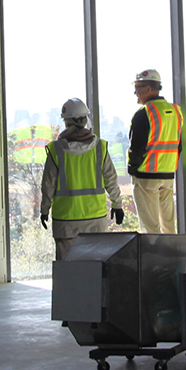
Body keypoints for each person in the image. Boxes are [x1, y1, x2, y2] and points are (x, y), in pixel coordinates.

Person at [39, 98, 125, 258]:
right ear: (86, 120)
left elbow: (48, 185)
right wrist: (117, 205)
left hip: (66, 220)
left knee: (66, 269)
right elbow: (111, 180)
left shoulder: (56, 150)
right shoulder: (100, 147)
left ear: (66, 122)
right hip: (95, 219)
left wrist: (45, 209)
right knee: (95, 268)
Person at [127, 69, 184, 234]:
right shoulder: (176, 111)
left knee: (150, 229)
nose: (135, 92)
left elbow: (137, 148)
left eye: (138, 88)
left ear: (148, 89)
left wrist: (133, 168)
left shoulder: (144, 114)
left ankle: (154, 260)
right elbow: (178, 145)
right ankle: (172, 258)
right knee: (169, 227)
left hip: (146, 177)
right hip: (167, 175)